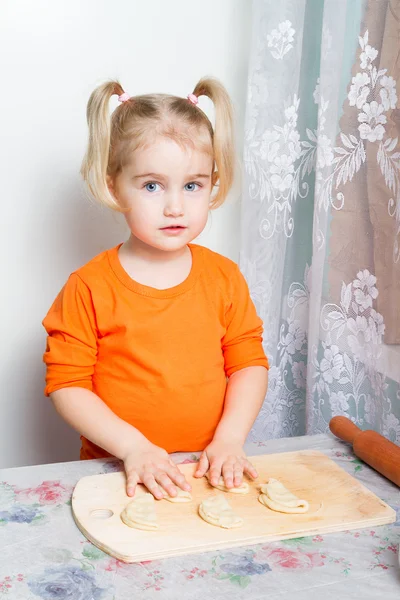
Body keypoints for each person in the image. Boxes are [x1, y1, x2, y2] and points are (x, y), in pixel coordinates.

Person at [42, 76, 269, 501]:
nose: (175, 206)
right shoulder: (89, 287)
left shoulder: (224, 278)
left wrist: (230, 439)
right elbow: (68, 384)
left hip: (208, 467)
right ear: (114, 186)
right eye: (151, 186)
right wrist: (134, 449)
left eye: (192, 185)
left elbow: (248, 363)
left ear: (212, 184)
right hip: (118, 472)